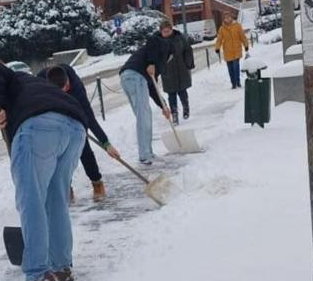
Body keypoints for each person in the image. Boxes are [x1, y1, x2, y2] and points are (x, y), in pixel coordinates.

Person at [0, 63, 87, 281]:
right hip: (75, 128)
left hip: (39, 127)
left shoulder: (15, 79)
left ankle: (37, 275)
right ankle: (62, 267)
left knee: (31, 200)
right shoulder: (37, 86)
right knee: (56, 199)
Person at [37, 64, 121, 201]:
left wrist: (106, 143)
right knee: (60, 154)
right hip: (54, 114)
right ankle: (66, 187)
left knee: (83, 147)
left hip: (76, 111)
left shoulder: (76, 88)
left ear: (67, 83)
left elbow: (89, 117)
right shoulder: (40, 82)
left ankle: (97, 182)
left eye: (65, 89)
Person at [119, 34, 171, 165]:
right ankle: (144, 155)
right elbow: (152, 39)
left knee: (144, 116)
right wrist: (151, 63)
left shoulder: (151, 56)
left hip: (127, 77)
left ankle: (148, 152)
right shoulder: (160, 48)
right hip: (136, 76)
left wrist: (164, 106)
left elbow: (153, 88)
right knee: (144, 118)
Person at [156, 19, 195, 125]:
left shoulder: (179, 37)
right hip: (167, 72)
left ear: (171, 29)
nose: (166, 33)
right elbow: (156, 57)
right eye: (164, 32)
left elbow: (188, 50)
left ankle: (186, 107)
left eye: (168, 31)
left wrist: (188, 63)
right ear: (161, 31)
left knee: (182, 92)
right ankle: (174, 114)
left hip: (181, 69)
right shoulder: (158, 42)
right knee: (171, 94)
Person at [215, 11, 249, 89]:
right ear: (224, 19)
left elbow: (242, 36)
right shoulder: (222, 28)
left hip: (236, 50)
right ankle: (233, 84)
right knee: (230, 69)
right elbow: (219, 39)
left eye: (228, 17)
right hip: (227, 52)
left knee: (235, 67)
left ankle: (237, 82)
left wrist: (246, 45)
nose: (227, 19)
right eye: (225, 18)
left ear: (231, 17)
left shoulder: (237, 26)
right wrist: (217, 48)